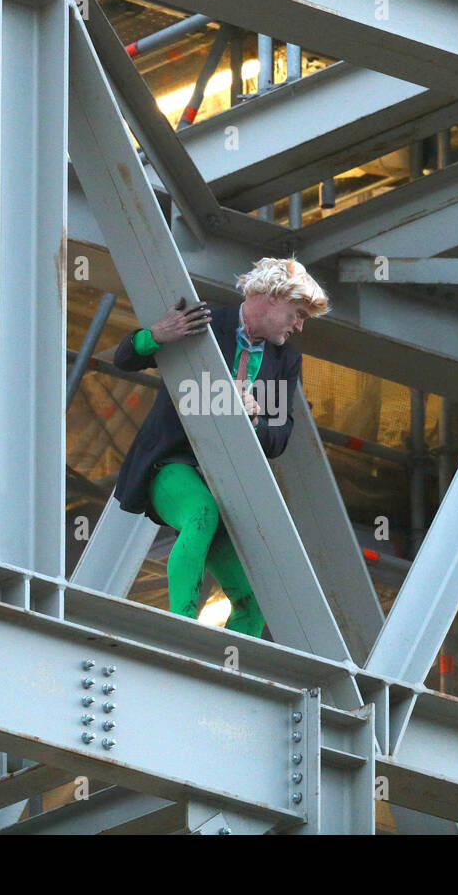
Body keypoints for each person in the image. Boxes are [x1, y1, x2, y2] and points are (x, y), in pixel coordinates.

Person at [111, 257, 331, 637]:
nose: (299, 326)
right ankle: (181, 629)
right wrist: (157, 335)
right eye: (297, 314)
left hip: (225, 483)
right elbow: (125, 358)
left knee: (253, 598)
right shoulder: (207, 322)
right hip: (171, 463)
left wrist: (255, 418)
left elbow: (278, 439)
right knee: (201, 513)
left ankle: (227, 670)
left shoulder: (285, 361)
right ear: (271, 297)